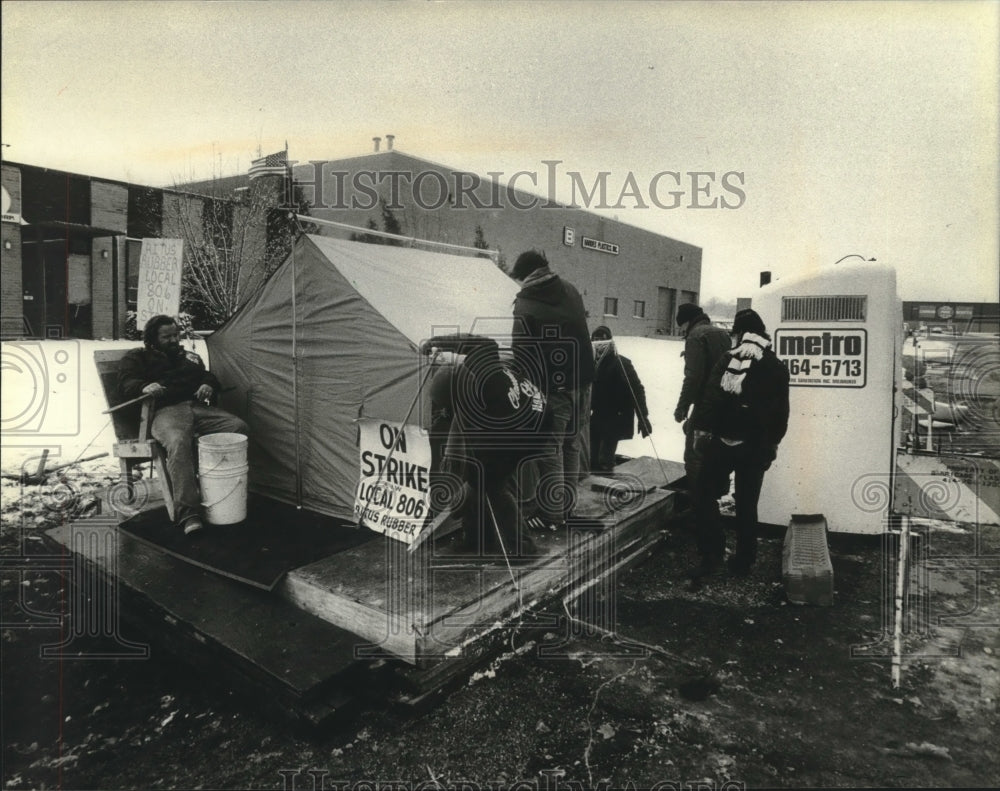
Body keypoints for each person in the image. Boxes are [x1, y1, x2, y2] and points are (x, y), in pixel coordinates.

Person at [119, 315, 248, 536]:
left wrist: (208, 384)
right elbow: (126, 382)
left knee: (236, 427)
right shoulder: (138, 357)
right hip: (165, 411)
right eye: (166, 336)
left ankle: (216, 491)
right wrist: (144, 386)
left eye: (175, 335)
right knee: (178, 443)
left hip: (197, 408)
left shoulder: (188, 357)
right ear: (152, 338)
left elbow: (208, 376)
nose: (172, 340)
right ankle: (188, 512)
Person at [423, 334, 548, 560]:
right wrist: (438, 342)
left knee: (493, 487)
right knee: (479, 485)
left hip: (532, 428)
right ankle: (476, 540)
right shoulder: (479, 368)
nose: (446, 414)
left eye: (447, 408)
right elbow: (483, 342)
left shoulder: (484, 413)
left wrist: (463, 494)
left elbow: (484, 460)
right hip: (527, 412)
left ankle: (523, 548)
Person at [688, 308, 790, 581]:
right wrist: (773, 442)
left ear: (739, 333)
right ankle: (744, 562)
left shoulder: (729, 359)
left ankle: (712, 553)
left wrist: (702, 432)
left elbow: (711, 399)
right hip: (755, 446)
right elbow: (782, 413)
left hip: (722, 442)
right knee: (747, 504)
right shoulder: (776, 365)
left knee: (706, 494)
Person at [510, 250, 594, 531]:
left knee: (549, 448)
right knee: (572, 443)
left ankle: (552, 514)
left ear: (524, 276)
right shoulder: (570, 289)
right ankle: (566, 507)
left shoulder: (525, 303)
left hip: (556, 388)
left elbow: (521, 354)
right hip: (583, 381)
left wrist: (524, 389)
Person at [673, 303, 732, 493]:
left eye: (681, 325)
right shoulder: (721, 334)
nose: (681, 330)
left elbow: (693, 377)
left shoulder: (695, 336)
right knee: (716, 453)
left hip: (704, 406)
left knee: (694, 455)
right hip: (725, 404)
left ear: (687, 321)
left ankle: (700, 508)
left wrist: (682, 407)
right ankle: (716, 494)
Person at [588, 326, 652, 474]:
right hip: (597, 415)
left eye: (602, 340)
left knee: (605, 458)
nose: (598, 344)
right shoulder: (590, 364)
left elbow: (637, 390)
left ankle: (607, 481)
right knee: (591, 458)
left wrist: (643, 417)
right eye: (595, 340)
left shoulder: (621, 363)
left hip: (616, 417)